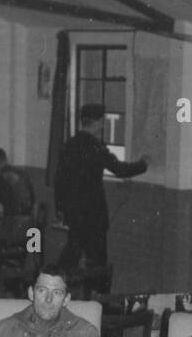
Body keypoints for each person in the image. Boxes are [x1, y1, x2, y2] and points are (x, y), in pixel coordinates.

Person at [53, 103, 149, 271]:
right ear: (97, 122)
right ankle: (96, 295)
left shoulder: (68, 145)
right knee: (97, 261)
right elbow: (120, 169)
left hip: (73, 212)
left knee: (72, 252)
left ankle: (55, 284)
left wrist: (61, 208)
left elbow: (59, 180)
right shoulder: (96, 147)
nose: (103, 125)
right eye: (102, 121)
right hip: (93, 213)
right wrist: (143, 164)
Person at [0, 147, 35, 218]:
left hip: (12, 222)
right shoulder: (23, 174)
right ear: (5, 159)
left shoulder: (0, 177)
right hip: (29, 221)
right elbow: (33, 199)